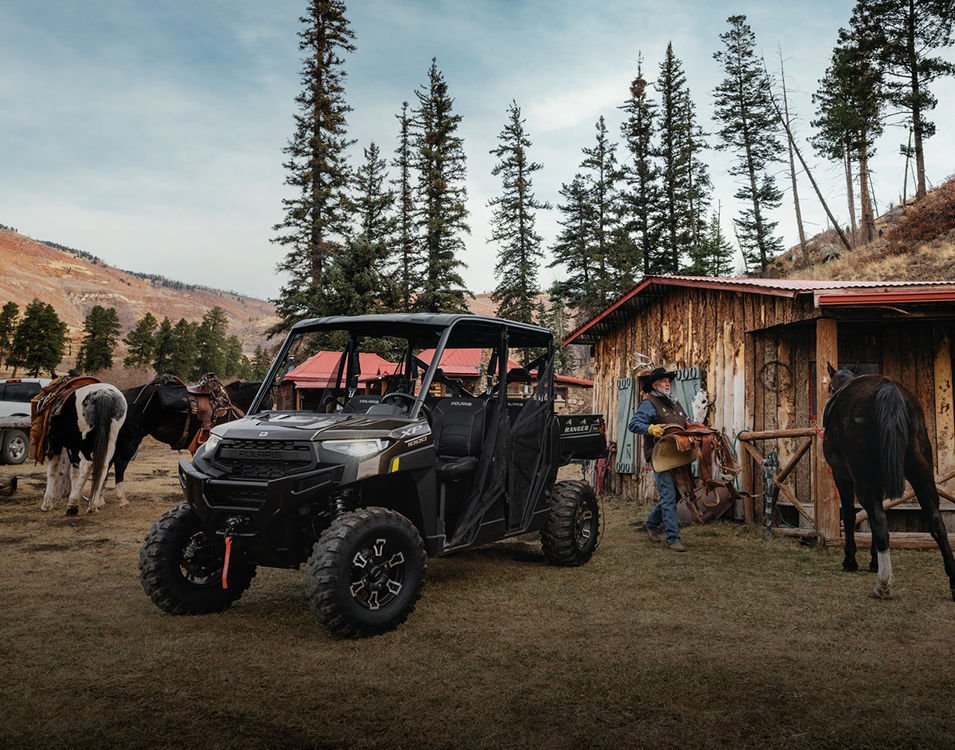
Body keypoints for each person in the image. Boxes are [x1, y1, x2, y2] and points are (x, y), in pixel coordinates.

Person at [628, 366, 689, 552]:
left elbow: (685, 423)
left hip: (677, 455)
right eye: (663, 381)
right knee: (669, 496)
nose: (667, 383)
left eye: (668, 380)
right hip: (659, 456)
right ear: (655, 385)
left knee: (677, 494)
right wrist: (649, 429)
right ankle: (673, 538)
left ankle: (651, 523)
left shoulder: (675, 403)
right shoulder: (649, 403)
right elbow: (634, 424)